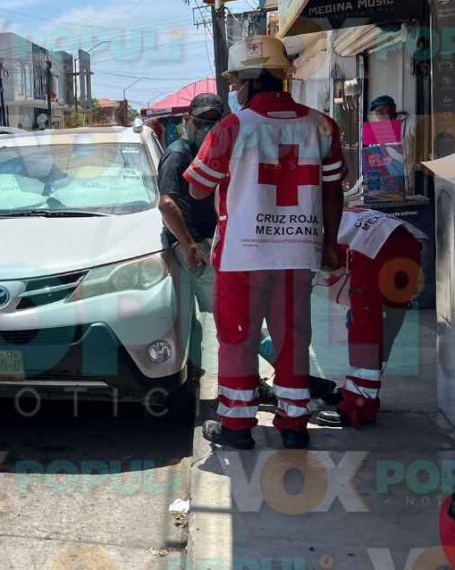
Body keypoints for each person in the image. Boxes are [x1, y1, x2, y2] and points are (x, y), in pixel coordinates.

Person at [185, 36, 346, 450]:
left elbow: (199, 189)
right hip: (298, 253)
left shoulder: (231, 127)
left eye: (237, 83)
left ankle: (237, 427)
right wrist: (330, 245)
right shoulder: (322, 125)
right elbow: (333, 192)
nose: (235, 91)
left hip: (242, 253)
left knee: (238, 339)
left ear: (252, 82)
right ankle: (293, 424)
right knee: (294, 336)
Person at [315, 208, 425, 427]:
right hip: (406, 244)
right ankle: (362, 391)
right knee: (385, 325)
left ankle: (359, 405)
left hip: (372, 249)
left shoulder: (292, 242)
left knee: (364, 329)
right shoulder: (328, 215)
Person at [157, 93, 225, 380]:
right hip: (193, 247)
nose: (206, 129)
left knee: (192, 320)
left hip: (202, 244)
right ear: (188, 121)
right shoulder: (178, 153)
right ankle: (291, 376)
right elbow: (166, 203)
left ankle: (194, 373)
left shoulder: (210, 152)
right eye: (201, 123)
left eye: (213, 124)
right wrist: (189, 245)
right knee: (231, 317)